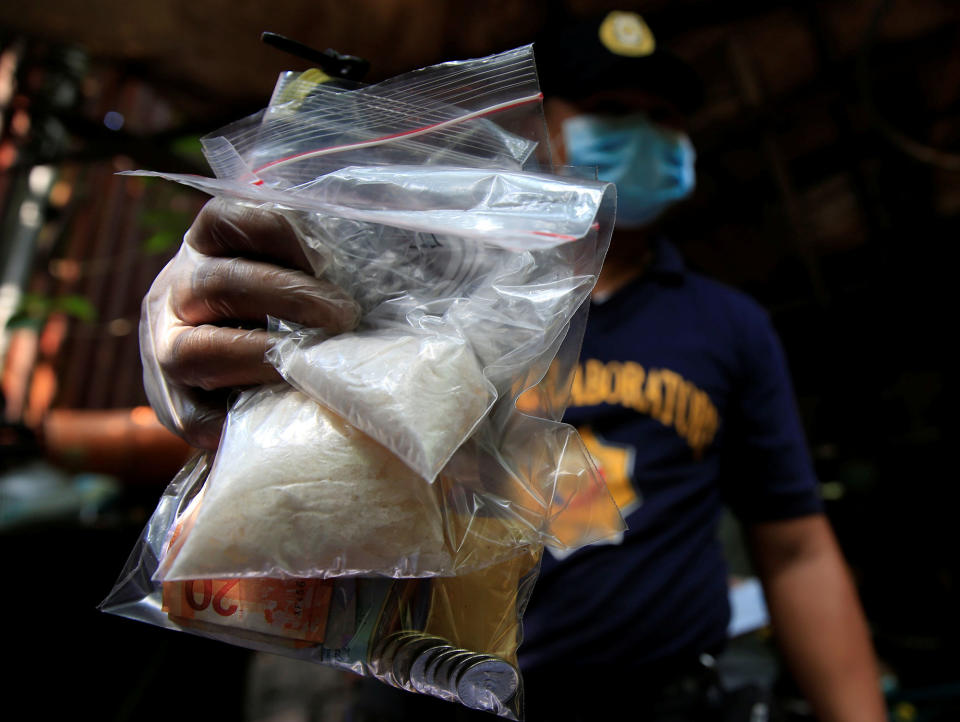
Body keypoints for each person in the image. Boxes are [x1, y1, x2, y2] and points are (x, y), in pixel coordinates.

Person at [140, 11, 885, 721]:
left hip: (661, 699)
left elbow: (794, 548)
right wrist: (211, 329)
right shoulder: (419, 284)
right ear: (540, 126)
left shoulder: (730, 324)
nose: (644, 131)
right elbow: (295, 411)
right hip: (423, 688)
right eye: (610, 105)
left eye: (664, 115)